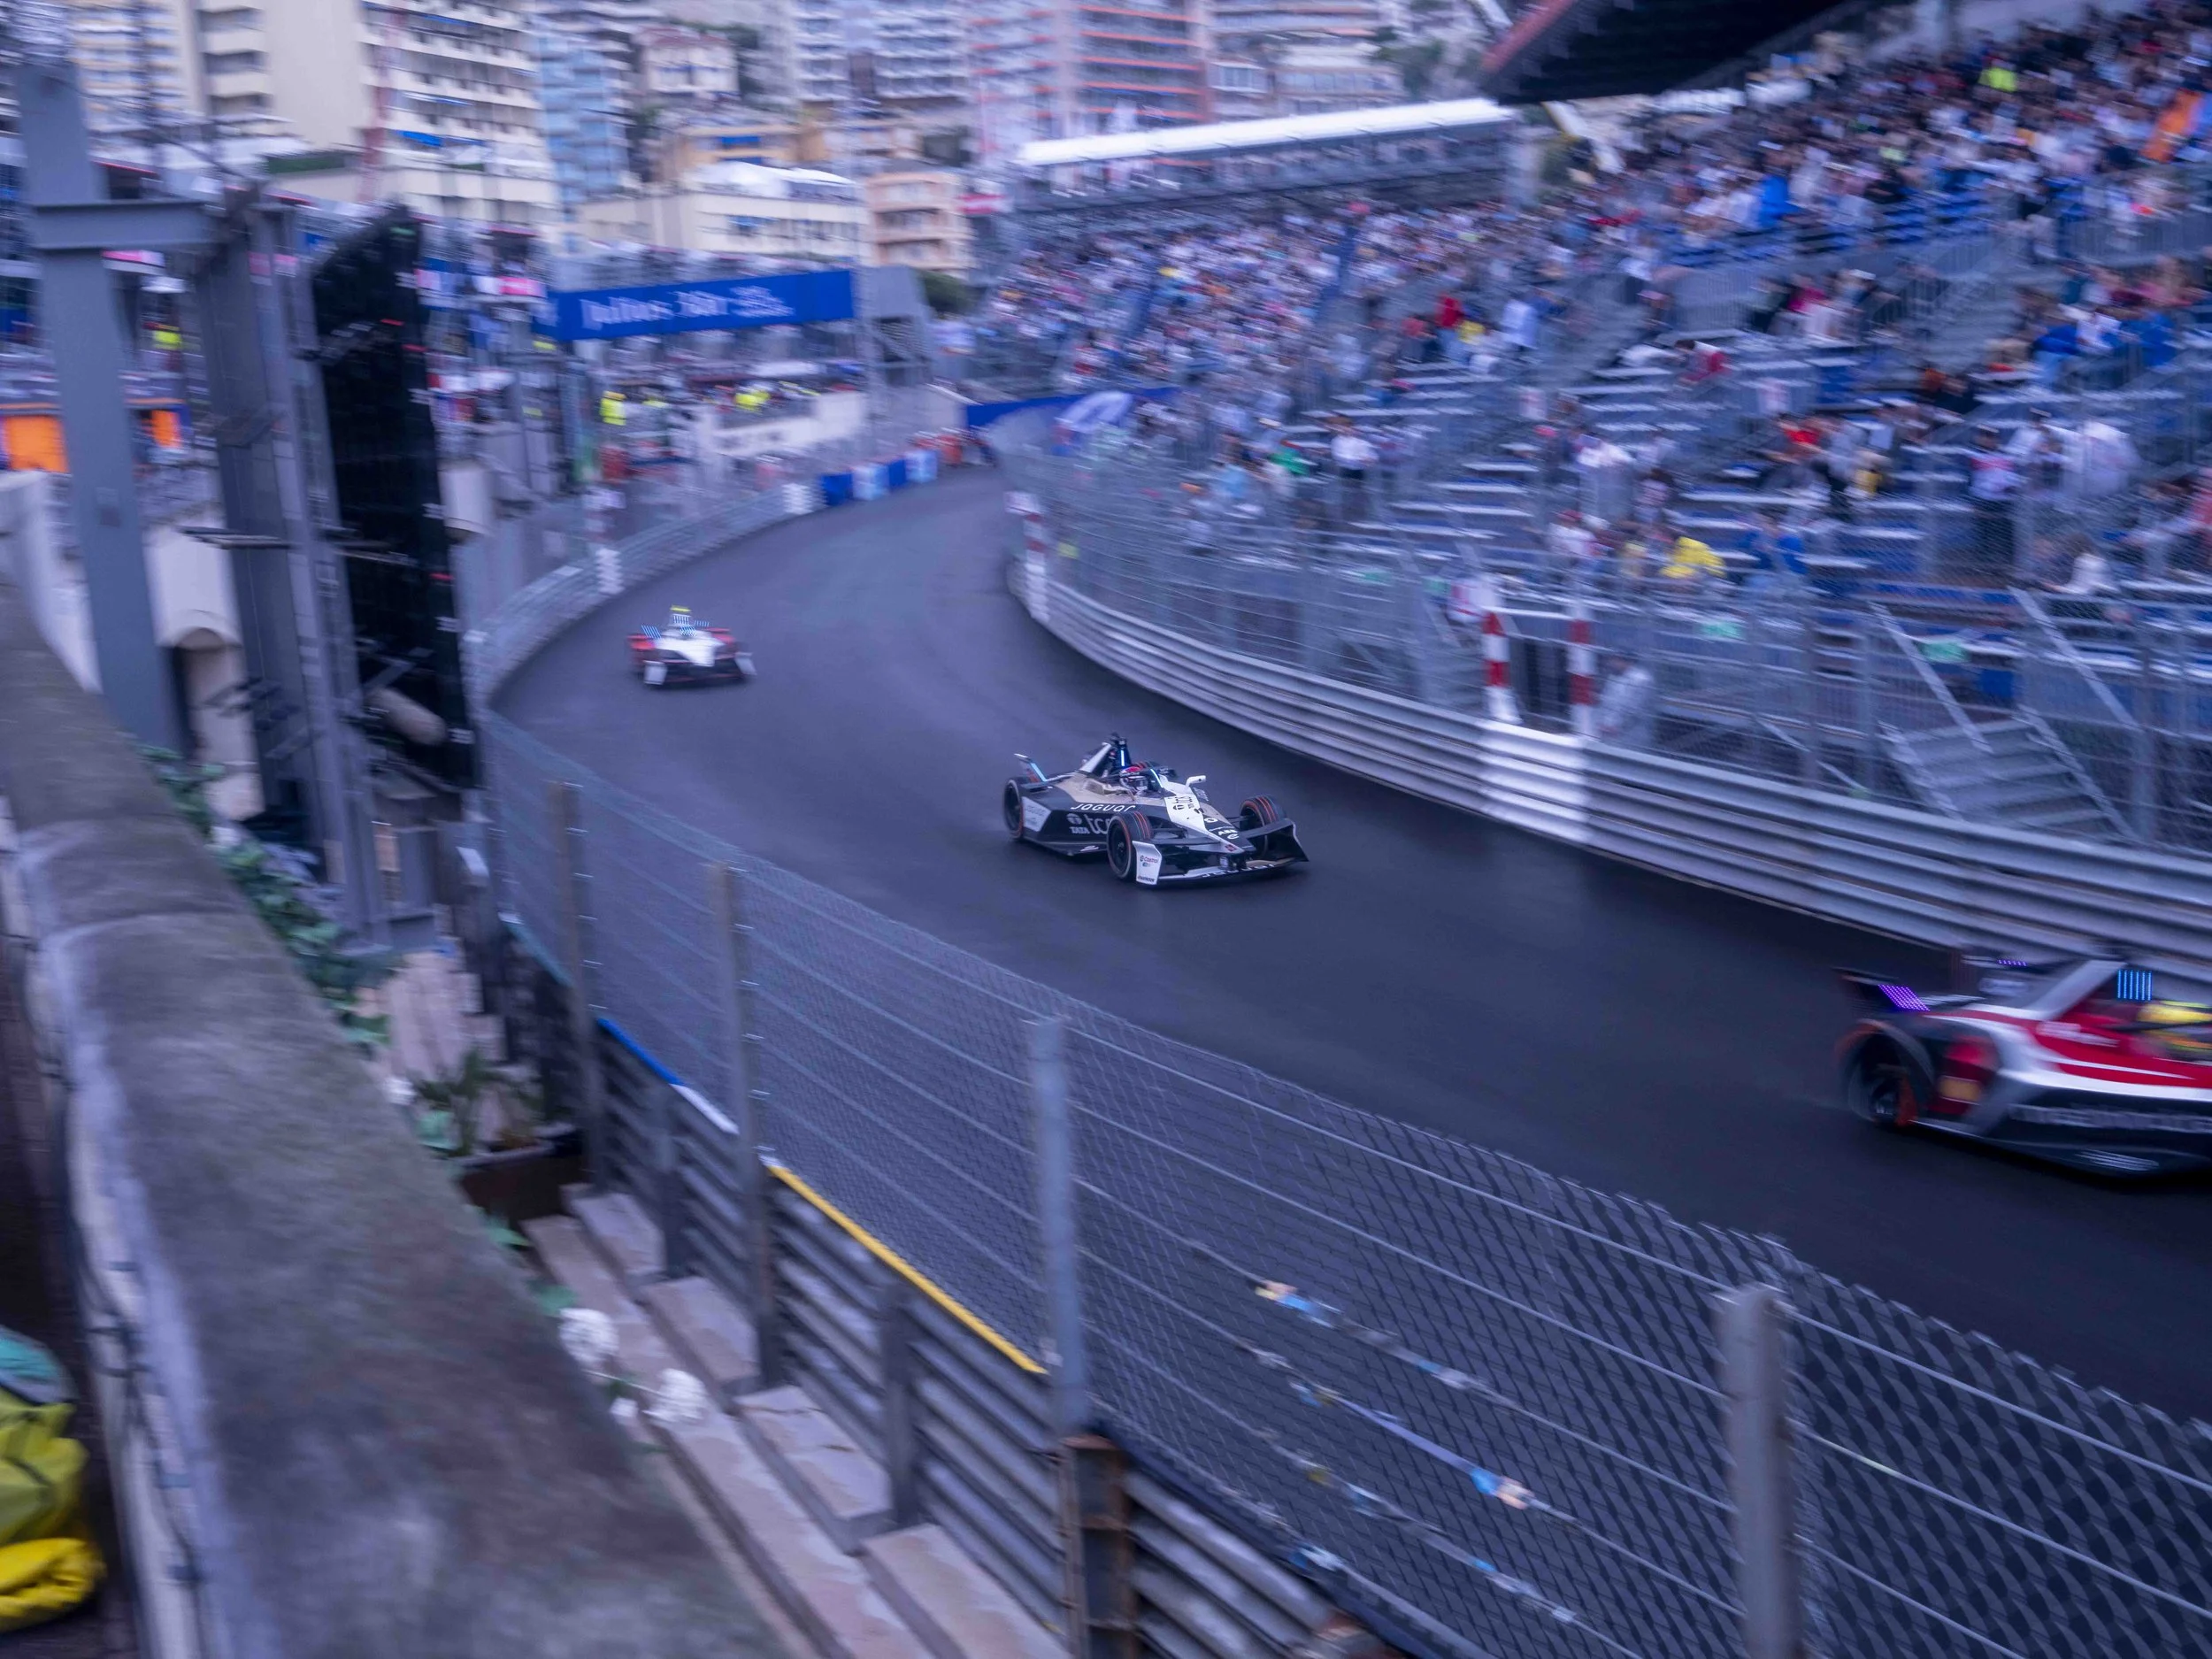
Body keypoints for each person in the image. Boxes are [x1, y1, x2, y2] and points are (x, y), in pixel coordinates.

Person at [1594, 653, 1657, 747]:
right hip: (1607, 731)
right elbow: (1606, 702)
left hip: (1629, 735)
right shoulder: (1615, 676)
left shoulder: (1642, 679)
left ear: (1626, 661)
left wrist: (1618, 727)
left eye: (1614, 660)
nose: (1611, 663)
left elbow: (1635, 710)